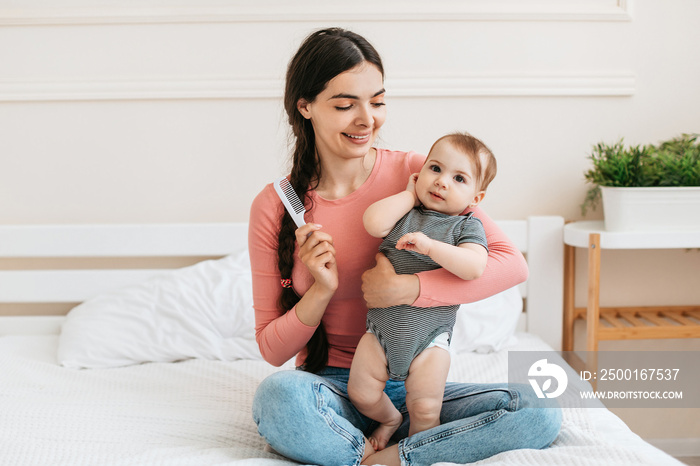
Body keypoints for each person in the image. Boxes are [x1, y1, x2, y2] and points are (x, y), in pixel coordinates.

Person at [249, 27, 561, 466]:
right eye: (345, 104)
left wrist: (408, 291)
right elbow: (272, 350)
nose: (367, 120)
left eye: (377, 102)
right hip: (332, 391)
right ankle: (399, 450)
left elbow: (510, 266)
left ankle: (390, 457)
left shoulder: (423, 174)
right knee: (278, 398)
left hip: (419, 385)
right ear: (306, 107)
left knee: (540, 408)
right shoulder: (278, 206)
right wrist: (320, 290)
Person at [347, 132, 496, 452]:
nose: (442, 182)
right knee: (360, 393)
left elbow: (473, 267)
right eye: (435, 169)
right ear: (420, 173)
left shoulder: (466, 227)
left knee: (426, 409)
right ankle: (389, 420)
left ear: (476, 198)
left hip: (430, 341)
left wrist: (430, 247)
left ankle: (412, 453)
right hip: (380, 334)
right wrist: (408, 196)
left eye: (459, 178)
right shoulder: (405, 212)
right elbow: (373, 223)